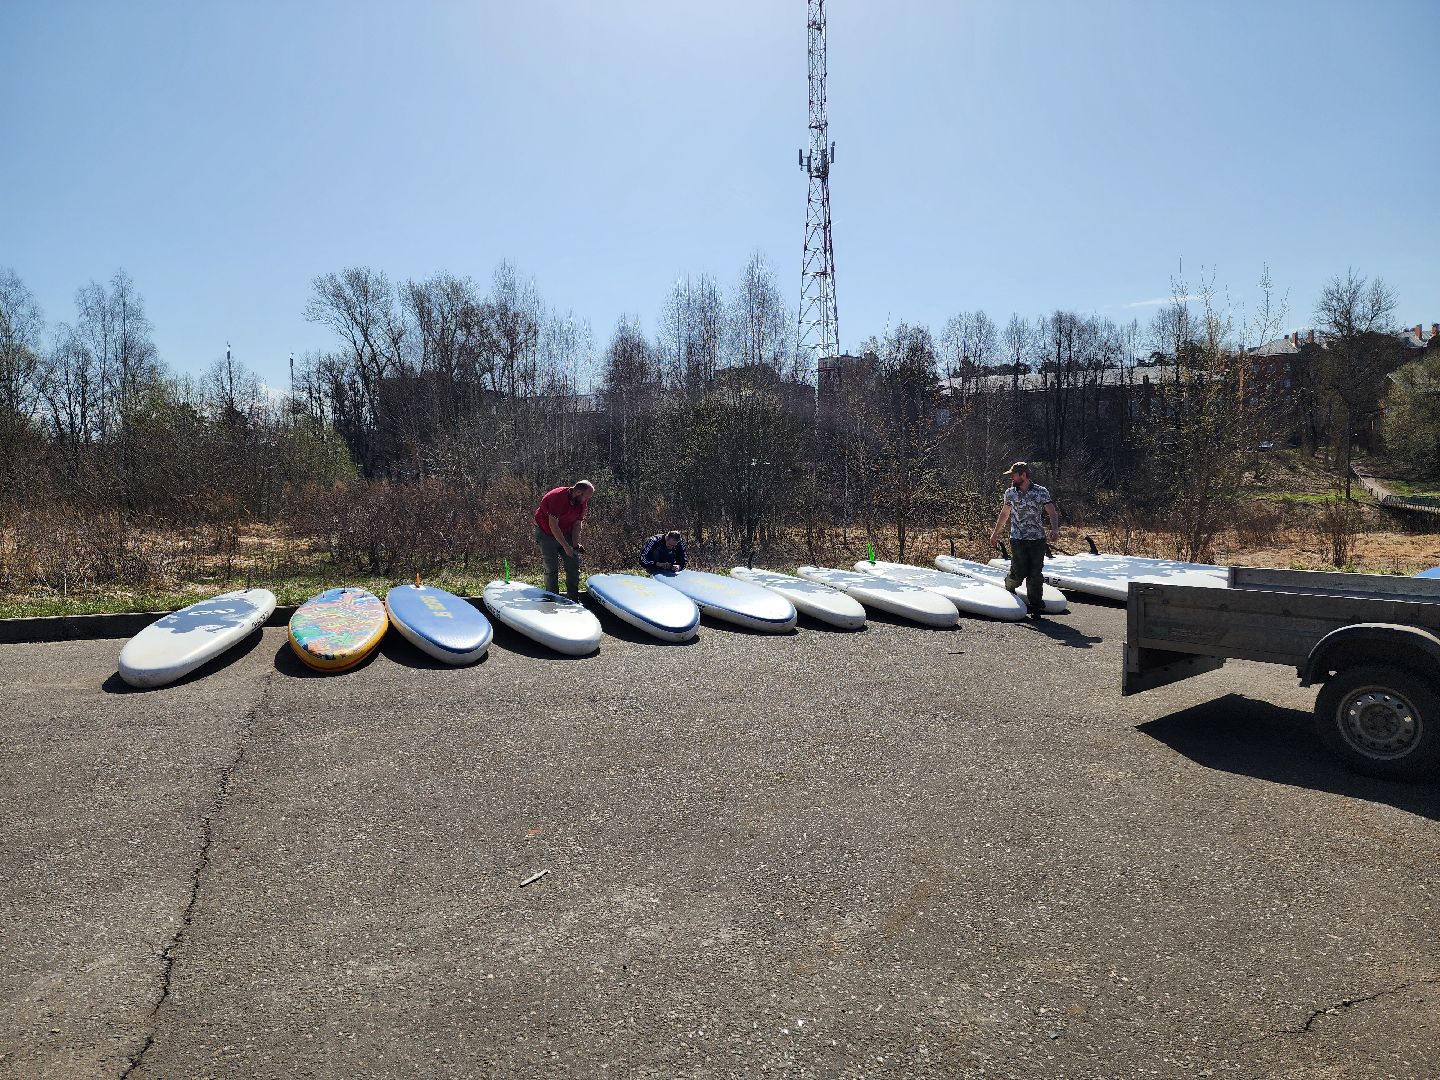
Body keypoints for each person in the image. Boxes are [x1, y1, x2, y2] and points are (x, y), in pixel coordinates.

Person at [988, 461, 1059, 618]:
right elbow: (1004, 514)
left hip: (1037, 540)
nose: (1011, 478)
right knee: (1018, 573)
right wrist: (995, 533)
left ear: (1023, 475)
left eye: (1013, 475)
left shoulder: (1041, 492)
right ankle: (1009, 586)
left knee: (1035, 574)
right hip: (1018, 539)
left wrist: (1054, 529)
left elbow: (1052, 512)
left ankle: (1036, 606)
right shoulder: (1010, 493)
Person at [533, 480, 594, 599]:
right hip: (546, 533)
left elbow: (577, 524)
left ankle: (573, 599)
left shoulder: (582, 502)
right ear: (578, 492)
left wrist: (575, 545)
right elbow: (553, 525)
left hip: (566, 531)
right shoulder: (557, 497)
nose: (586, 500)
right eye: (586, 497)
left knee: (573, 566)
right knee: (551, 569)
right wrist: (566, 547)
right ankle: (552, 599)